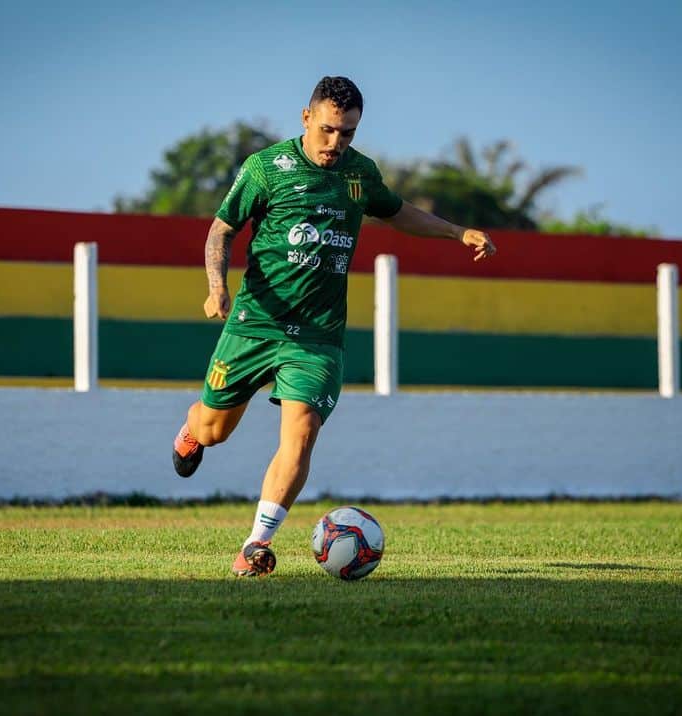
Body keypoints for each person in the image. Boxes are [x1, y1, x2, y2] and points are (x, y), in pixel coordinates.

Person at [171, 76, 496, 577]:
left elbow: (395, 211)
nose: (335, 143)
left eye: (346, 133)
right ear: (306, 118)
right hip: (255, 324)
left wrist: (457, 232)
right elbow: (222, 229)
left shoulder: (359, 173)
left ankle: (256, 544)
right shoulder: (266, 168)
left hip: (319, 337)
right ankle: (192, 430)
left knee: (301, 434)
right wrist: (217, 286)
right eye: (327, 130)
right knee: (214, 430)